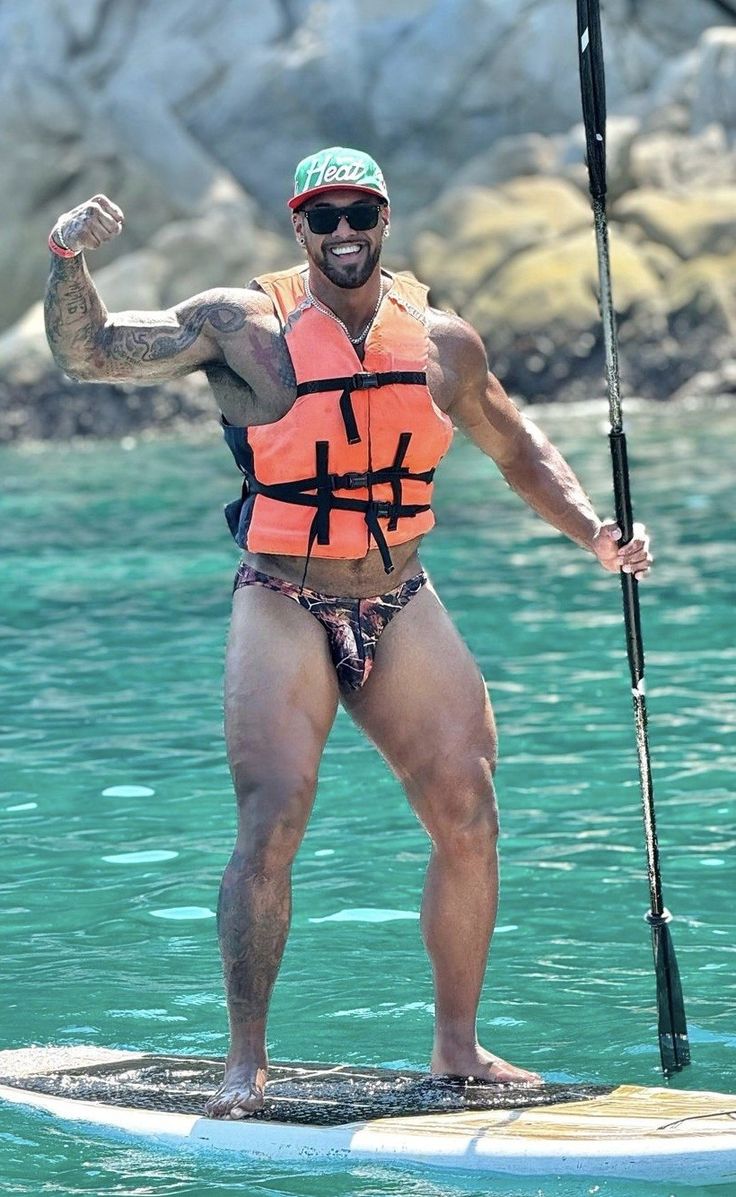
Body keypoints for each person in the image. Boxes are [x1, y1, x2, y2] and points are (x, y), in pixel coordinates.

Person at [44, 146, 651, 1120]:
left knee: (469, 811)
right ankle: (246, 1062)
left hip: (399, 595)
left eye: (356, 213)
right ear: (297, 227)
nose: (340, 233)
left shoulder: (444, 342)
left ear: (381, 220)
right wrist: (66, 258)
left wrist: (593, 533)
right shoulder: (241, 328)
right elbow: (92, 353)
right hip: (283, 595)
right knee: (273, 816)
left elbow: (514, 444)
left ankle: (458, 1050)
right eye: (320, 216)